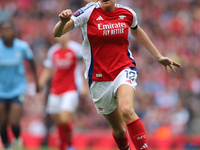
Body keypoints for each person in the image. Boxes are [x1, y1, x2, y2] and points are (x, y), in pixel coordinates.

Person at [53, 0, 181, 150]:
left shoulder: (127, 13)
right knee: (119, 131)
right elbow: (57, 32)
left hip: (124, 69)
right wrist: (62, 22)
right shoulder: (87, 12)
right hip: (99, 79)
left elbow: (136, 29)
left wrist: (158, 56)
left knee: (126, 109)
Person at [38, 33, 86, 150]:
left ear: (69, 35)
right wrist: (39, 84)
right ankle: (63, 146)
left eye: (64, 35)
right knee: (59, 121)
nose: (61, 37)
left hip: (71, 88)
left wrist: (85, 85)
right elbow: (48, 69)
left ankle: (70, 145)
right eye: (59, 35)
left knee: (64, 118)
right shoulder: (52, 51)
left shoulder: (76, 49)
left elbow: (87, 63)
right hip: (55, 89)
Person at [0, 21, 39, 150]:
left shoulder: (22, 46)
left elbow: (32, 61)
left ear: (14, 32)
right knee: (1, 122)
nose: (6, 32)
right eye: (3, 29)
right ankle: (6, 146)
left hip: (18, 88)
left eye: (8, 29)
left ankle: (17, 140)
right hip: (1, 89)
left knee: (14, 122)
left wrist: (37, 82)